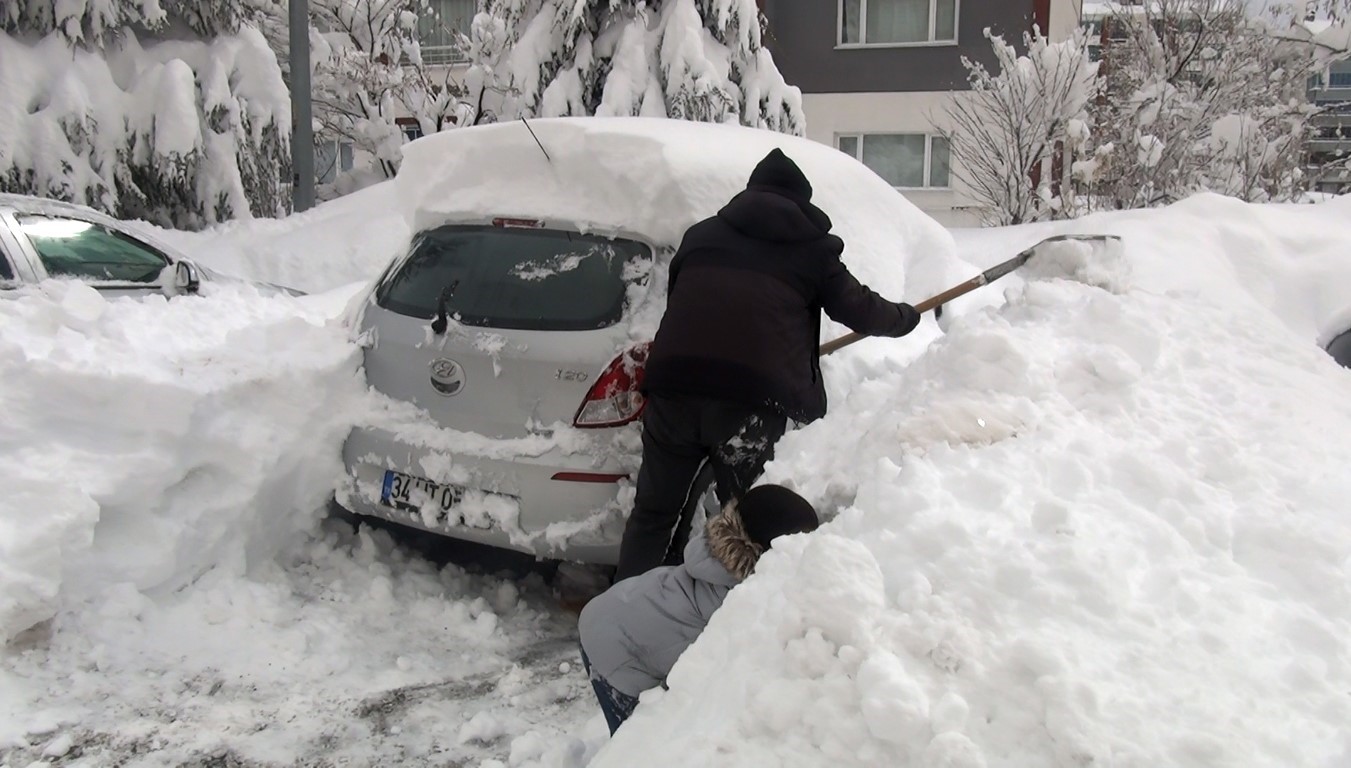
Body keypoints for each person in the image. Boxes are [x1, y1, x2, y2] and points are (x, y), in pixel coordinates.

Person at [613, 147, 920, 581]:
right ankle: (735, 616)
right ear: (802, 204)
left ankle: (627, 604)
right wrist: (907, 317)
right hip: (750, 403)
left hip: (674, 389)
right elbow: (861, 310)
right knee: (747, 523)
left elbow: (683, 300)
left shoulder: (700, 236)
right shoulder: (812, 250)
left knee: (654, 513)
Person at [579, 484, 820, 735]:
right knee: (640, 742)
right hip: (618, 654)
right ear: (771, 552)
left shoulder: (712, 553)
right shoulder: (735, 603)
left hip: (610, 611)